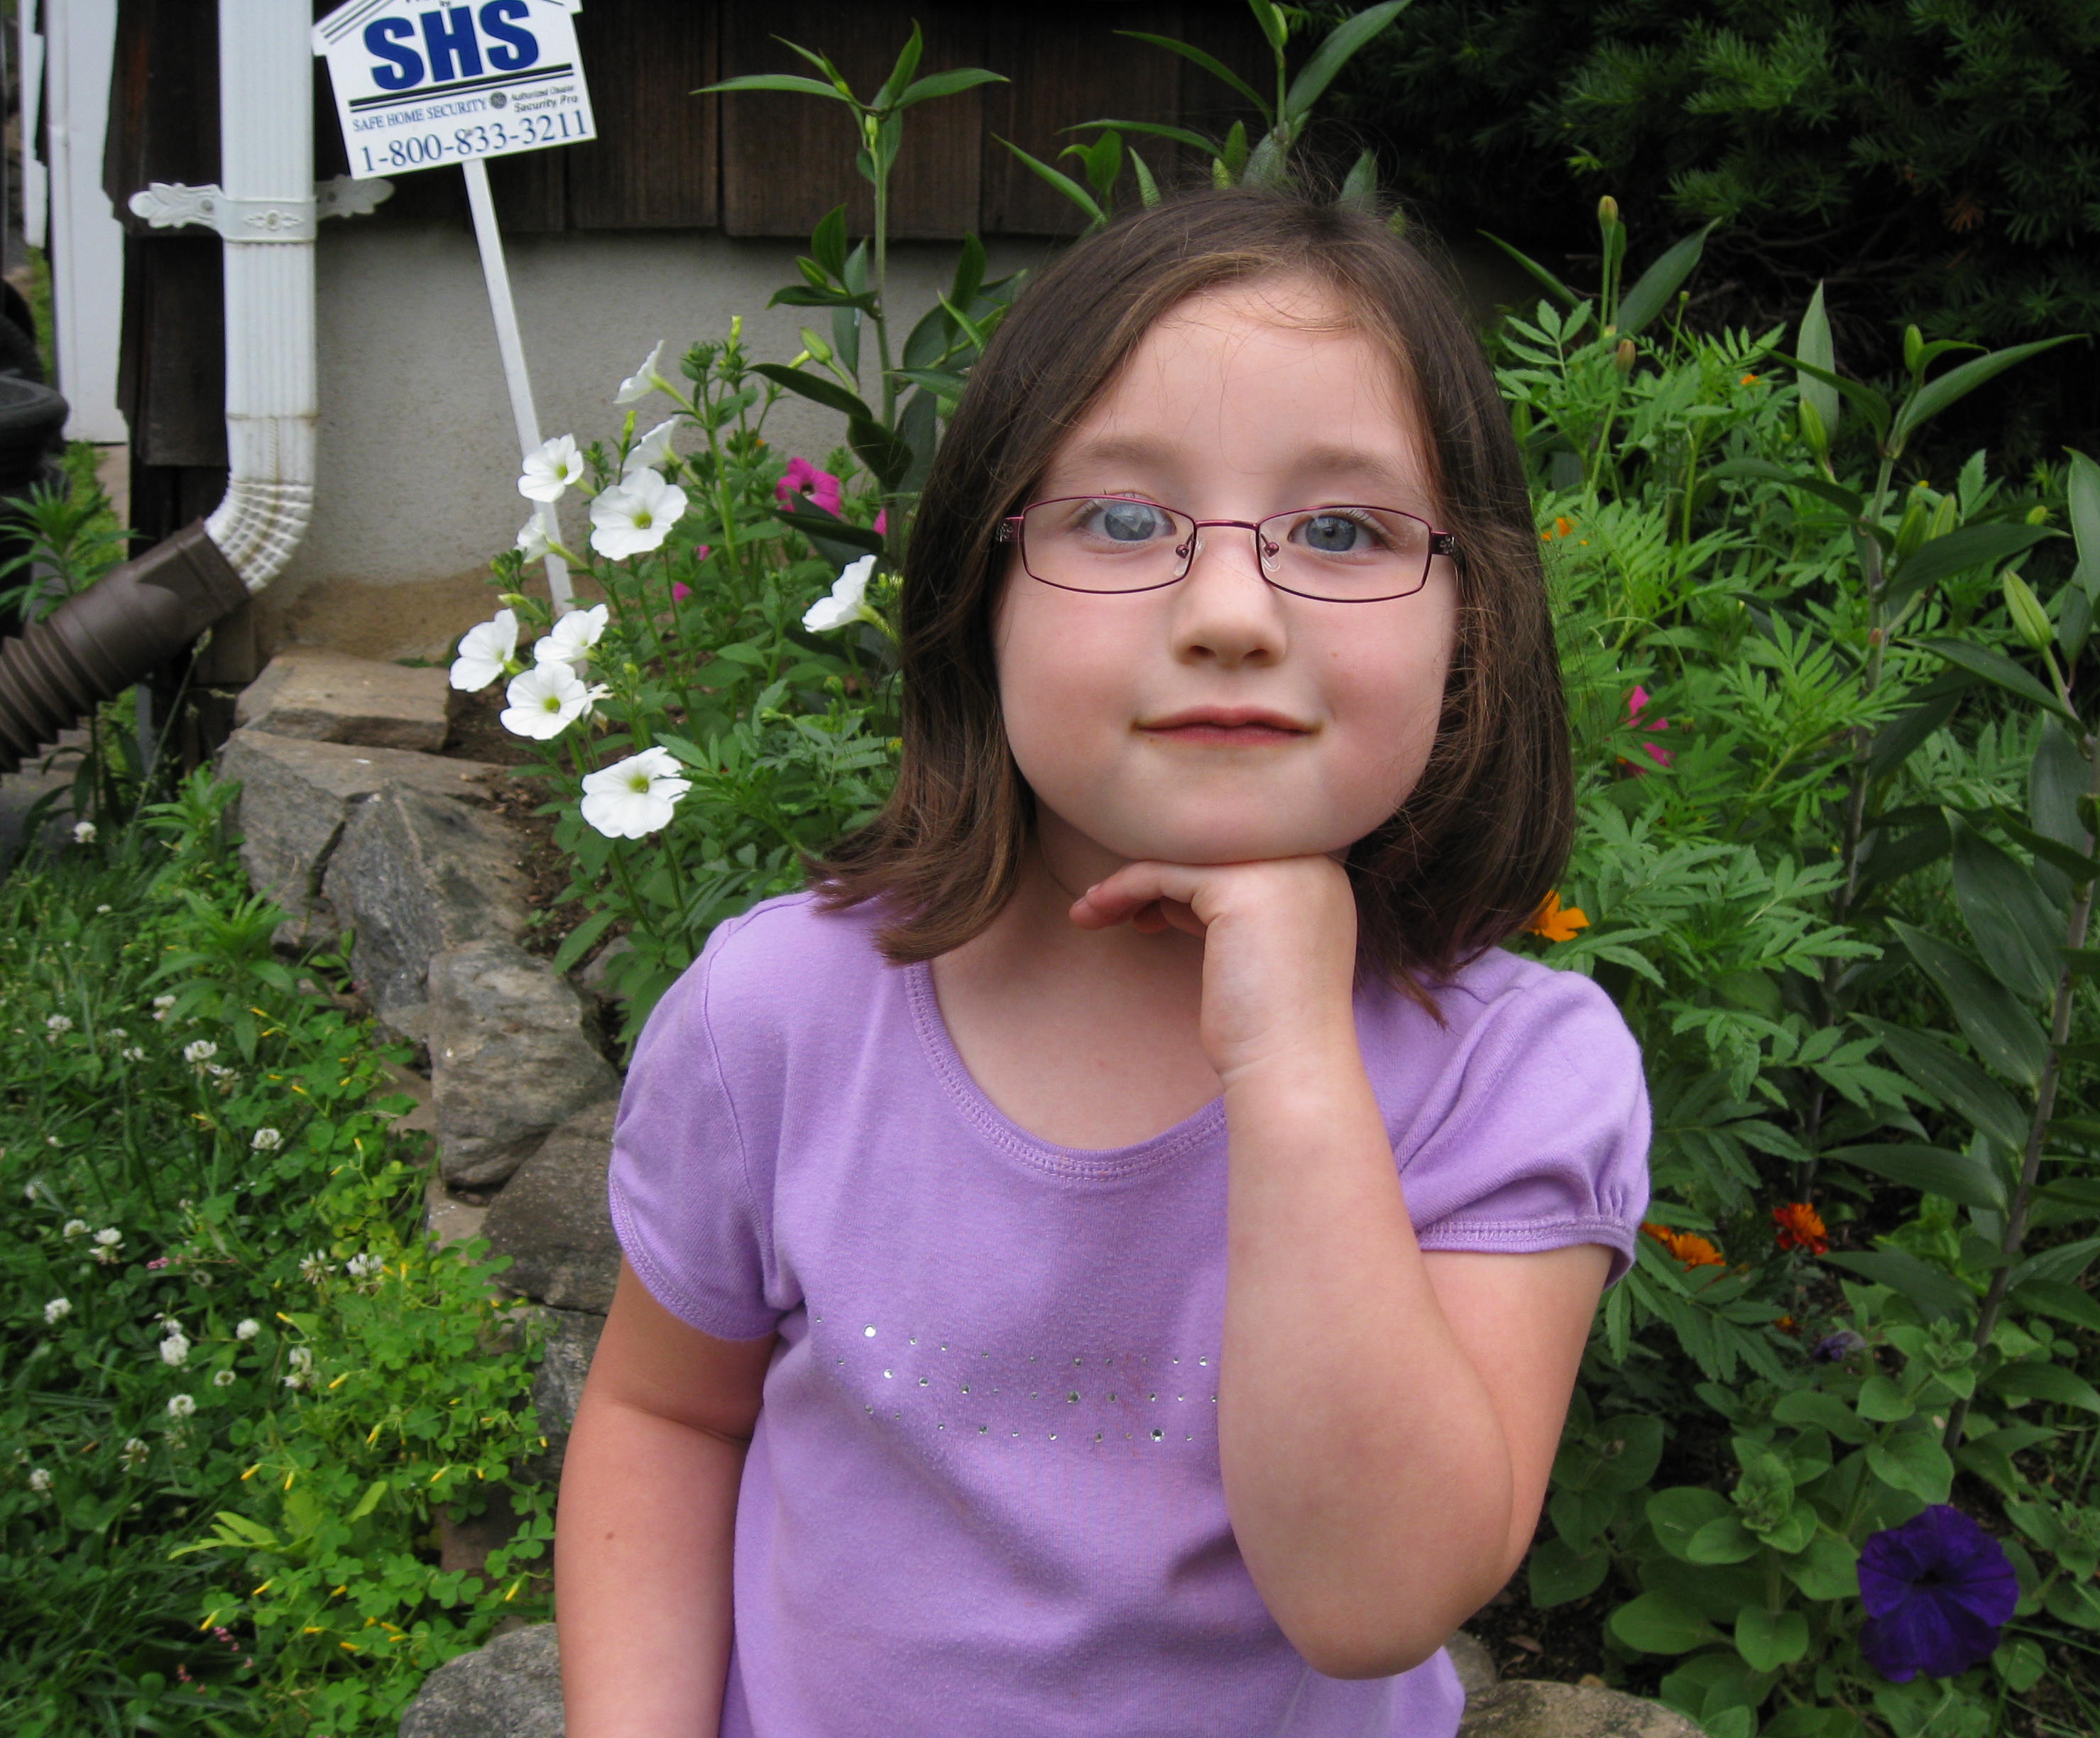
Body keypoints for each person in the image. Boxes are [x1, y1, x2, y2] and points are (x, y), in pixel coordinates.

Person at [555, 185, 1651, 1738]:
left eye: (1342, 531)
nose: (1230, 613)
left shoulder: (1514, 1075)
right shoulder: (783, 1013)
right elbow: (667, 1416)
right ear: (979, 589)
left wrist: (1291, 1060)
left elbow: (1371, 1602)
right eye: (1124, 520)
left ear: (1471, 623)